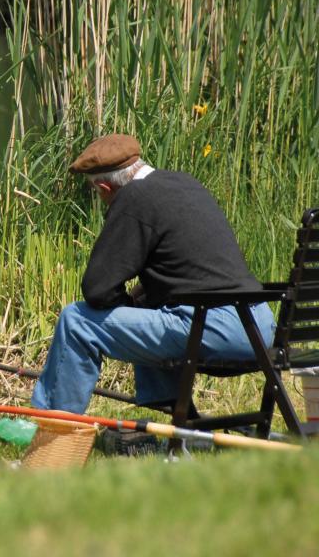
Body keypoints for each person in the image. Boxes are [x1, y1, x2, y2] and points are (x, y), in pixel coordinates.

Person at [31, 133, 276, 415]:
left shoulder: (133, 197)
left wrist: (125, 306)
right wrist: (135, 305)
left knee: (76, 321)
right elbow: (187, 272)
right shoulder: (185, 183)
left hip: (218, 329)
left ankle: (50, 428)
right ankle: (181, 427)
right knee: (149, 308)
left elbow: (97, 289)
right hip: (258, 324)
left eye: (98, 194)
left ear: (104, 186)